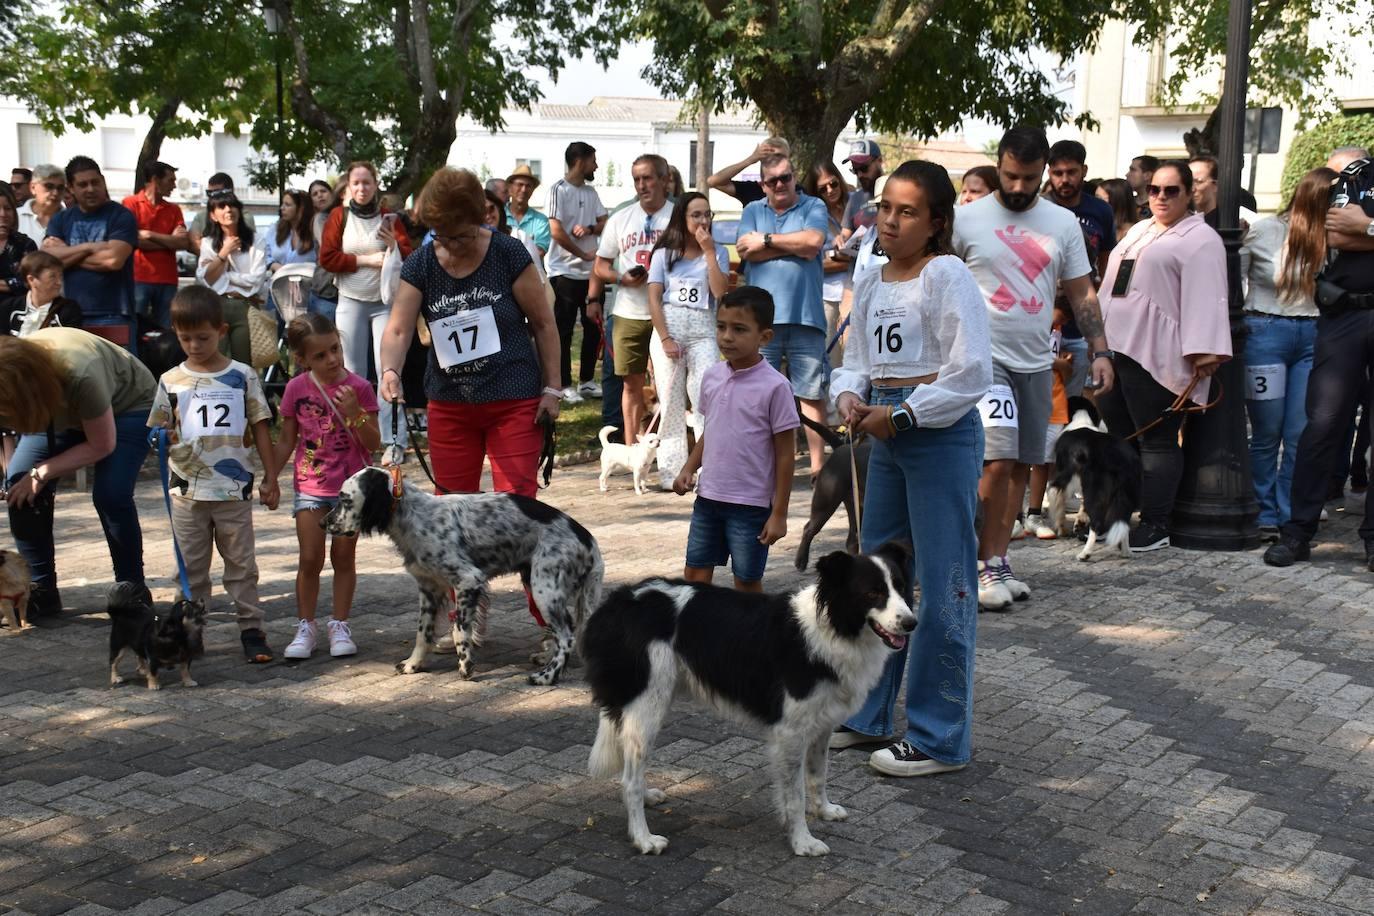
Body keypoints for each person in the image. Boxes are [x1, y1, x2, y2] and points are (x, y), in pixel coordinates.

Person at [828, 159, 992, 777]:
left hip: (936, 433)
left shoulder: (946, 274)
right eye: (885, 208)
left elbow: (971, 370)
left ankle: (938, 735)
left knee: (947, 581)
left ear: (936, 223)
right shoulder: (870, 279)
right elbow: (858, 362)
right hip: (884, 428)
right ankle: (868, 712)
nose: (890, 221)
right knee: (881, 578)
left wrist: (900, 417)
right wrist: (849, 397)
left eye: (907, 212)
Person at [952, 127, 1114, 610]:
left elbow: (1082, 291)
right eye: (1009, 176)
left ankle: (998, 560)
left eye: (1028, 177)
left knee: (1023, 464)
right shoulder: (967, 220)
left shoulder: (1062, 223)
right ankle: (976, 564)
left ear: (1043, 169)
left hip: (1038, 362)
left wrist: (1101, 350)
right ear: (998, 165)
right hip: (985, 360)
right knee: (997, 461)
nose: (1019, 187)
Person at [379, 167, 562, 496]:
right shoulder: (420, 263)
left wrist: (552, 388)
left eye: (460, 235)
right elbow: (398, 329)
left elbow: (544, 324)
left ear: (480, 218)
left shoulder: (508, 254)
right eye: (441, 235)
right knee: (451, 509)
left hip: (513, 399)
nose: (450, 245)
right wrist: (390, 370)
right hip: (449, 404)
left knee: (516, 506)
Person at [1097, 160, 1231, 552]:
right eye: (1154, 189)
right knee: (1122, 437)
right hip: (1116, 347)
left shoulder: (1201, 239)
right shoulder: (1141, 229)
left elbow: (1207, 295)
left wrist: (1205, 349)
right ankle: (1119, 516)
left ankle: (1157, 523)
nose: (1160, 197)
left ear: (1190, 194)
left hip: (1155, 350)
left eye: (1171, 190)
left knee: (1156, 440)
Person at [146, 286, 280, 663]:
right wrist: (161, 437)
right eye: (185, 337)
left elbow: (261, 426)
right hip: (186, 492)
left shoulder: (243, 376)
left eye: (202, 337)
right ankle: (189, 631)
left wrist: (271, 477)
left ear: (221, 331)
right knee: (190, 568)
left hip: (233, 490)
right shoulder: (171, 380)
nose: (193, 345)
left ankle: (251, 629)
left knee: (241, 565)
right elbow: (157, 428)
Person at [1265, 148, 1374, 570]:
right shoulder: (1356, 176)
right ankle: (1297, 532)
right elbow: (1331, 232)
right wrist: (1360, 230)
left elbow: (1352, 229)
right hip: (1343, 315)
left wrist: (1365, 225)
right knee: (1322, 426)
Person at [1, 328, 157, 618]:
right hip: (58, 410)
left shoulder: (80, 373)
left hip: (128, 406)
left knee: (111, 494)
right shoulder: (10, 381)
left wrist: (41, 472)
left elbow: (102, 444)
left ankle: (131, 588)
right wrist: (20, 477)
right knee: (18, 488)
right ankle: (41, 590)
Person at [671, 286, 797, 591]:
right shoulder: (712, 376)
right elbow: (710, 432)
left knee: (747, 582)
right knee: (695, 577)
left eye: (739, 329)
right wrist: (689, 468)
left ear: (764, 337)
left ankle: (751, 639)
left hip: (751, 506)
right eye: (721, 326)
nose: (727, 336)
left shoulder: (775, 387)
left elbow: (785, 455)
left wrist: (779, 513)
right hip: (708, 498)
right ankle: (700, 637)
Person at [274, 313, 379, 660]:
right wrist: (269, 477)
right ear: (303, 359)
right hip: (311, 485)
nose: (332, 359)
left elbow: (373, 442)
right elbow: (287, 439)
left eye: (335, 349)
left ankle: (340, 624)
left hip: (349, 489)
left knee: (343, 556)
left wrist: (355, 412)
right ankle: (306, 625)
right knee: (309, 557)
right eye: (321, 355)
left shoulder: (360, 388)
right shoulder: (295, 389)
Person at [1239, 168, 1331, 540]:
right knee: (1267, 432)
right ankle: (1264, 512)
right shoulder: (1264, 230)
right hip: (1265, 332)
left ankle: (1288, 511)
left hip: (1311, 335)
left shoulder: (1332, 236)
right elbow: (1234, 280)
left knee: (1298, 433)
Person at [737, 153, 829, 480]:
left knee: (811, 395)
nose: (780, 184)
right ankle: (762, 468)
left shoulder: (814, 206)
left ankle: (819, 466)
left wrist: (765, 241)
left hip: (807, 317)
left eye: (786, 177)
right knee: (759, 397)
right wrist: (795, 245)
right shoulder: (752, 210)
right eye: (772, 180)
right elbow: (744, 251)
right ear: (762, 184)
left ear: (794, 177)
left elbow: (814, 242)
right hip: (762, 323)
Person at [318, 161, 413, 462]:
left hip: (384, 302)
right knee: (350, 370)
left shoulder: (389, 218)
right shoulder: (338, 216)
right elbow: (327, 257)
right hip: (350, 300)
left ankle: (393, 440)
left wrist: (393, 247)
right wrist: (364, 261)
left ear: (376, 185)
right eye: (356, 183)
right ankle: (352, 435)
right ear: (348, 188)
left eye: (367, 183)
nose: (361, 188)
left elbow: (409, 256)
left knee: (389, 369)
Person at [647, 191, 730, 485]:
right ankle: (671, 472)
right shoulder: (663, 254)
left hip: (703, 333)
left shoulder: (718, 252)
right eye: (696, 215)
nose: (703, 220)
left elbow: (720, 293)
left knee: (705, 399)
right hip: (669, 332)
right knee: (670, 402)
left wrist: (709, 253)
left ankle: (710, 470)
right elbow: (654, 299)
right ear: (682, 218)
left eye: (707, 214)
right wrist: (665, 338)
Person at [595, 154, 674, 445]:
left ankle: (668, 447)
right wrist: (620, 278)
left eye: (648, 178)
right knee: (631, 385)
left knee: (670, 386)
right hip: (629, 311)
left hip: (669, 311)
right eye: (637, 179)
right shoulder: (621, 217)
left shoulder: (677, 216)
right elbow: (600, 265)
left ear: (664, 180)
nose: (642, 185)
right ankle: (630, 449)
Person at [1046, 140, 1118, 397]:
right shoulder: (1039, 209)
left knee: (1073, 402)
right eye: (1057, 173)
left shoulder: (1101, 211)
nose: (1064, 179)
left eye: (1071, 172)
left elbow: (1106, 268)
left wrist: (1097, 336)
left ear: (1084, 171)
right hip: (1041, 323)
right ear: (1048, 172)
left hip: (1081, 325)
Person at [546, 142, 607, 403]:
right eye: (593, 160)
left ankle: (587, 381)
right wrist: (582, 254)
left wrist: (591, 229)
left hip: (591, 274)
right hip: (564, 272)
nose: (596, 165)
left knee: (593, 327)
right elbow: (556, 231)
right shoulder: (558, 190)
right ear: (580, 161)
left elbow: (605, 221)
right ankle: (563, 385)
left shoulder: (592, 193)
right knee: (564, 330)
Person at [40, 156, 137, 320]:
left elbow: (113, 260)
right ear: (70, 188)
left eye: (95, 182)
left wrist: (66, 254)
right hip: (70, 313)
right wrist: (88, 248)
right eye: (82, 185)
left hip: (115, 313)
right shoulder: (60, 220)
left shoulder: (122, 216)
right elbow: (47, 261)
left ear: (103, 181)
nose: (90, 189)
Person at [195, 190, 268, 366]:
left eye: (232, 205)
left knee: (244, 364)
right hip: (216, 305)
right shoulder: (208, 242)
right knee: (214, 361)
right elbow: (204, 279)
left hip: (246, 305)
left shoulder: (255, 240)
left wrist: (224, 275)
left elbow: (256, 280)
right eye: (222, 206)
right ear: (213, 215)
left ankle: (244, 394)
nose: (228, 209)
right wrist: (223, 253)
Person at [1025, 302, 1074, 538]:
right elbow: (1027, 351)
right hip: (1032, 397)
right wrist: (1060, 364)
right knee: (1021, 460)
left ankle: (1033, 513)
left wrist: (1063, 366)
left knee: (1045, 461)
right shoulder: (1034, 317)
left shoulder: (1056, 327)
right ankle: (1019, 514)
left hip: (1054, 401)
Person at [122, 161, 190, 328]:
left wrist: (149, 234)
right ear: (155, 179)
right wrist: (169, 241)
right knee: (135, 327)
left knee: (166, 330)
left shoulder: (174, 209)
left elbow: (182, 242)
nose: (174, 185)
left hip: (168, 279)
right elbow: (132, 240)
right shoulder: (130, 203)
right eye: (170, 180)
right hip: (138, 277)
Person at [805, 161, 854, 367]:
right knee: (829, 353)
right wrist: (848, 259)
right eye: (822, 189)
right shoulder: (814, 215)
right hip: (828, 293)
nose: (830, 190)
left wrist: (841, 258)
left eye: (833, 184)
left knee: (854, 352)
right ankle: (831, 399)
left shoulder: (856, 204)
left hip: (855, 290)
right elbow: (812, 262)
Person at [4, 251, 82, 336]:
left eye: (60, 276)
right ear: (31, 280)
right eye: (52, 276)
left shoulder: (69, 309)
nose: (59, 282)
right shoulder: (9, 307)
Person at [706, 138, 789, 206]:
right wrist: (751, 159)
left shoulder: (797, 192)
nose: (775, 161)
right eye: (769, 157)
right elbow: (713, 181)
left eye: (779, 157)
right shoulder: (751, 190)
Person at [188, 174, 256, 251]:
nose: (213, 196)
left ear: (230, 191)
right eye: (209, 192)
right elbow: (193, 242)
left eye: (217, 192)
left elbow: (245, 242)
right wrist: (212, 255)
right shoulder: (200, 216)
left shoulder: (244, 215)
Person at [505, 164, 551, 267]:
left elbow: (539, 253)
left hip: (534, 279)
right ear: (510, 188)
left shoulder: (541, 220)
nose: (524, 189)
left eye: (528, 186)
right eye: (520, 184)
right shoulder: (499, 216)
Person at [266, 188, 317, 274]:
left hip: (308, 284)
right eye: (282, 204)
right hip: (279, 284)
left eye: (288, 205)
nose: (282, 208)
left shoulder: (314, 231)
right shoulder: (275, 229)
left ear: (301, 208)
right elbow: (266, 255)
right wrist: (274, 265)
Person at [0, 182, 37, 295]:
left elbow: (29, 281)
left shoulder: (25, 244)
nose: (3, 214)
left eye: (7, 208)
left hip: (16, 310)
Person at [17, 164, 64, 242]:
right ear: (33, 187)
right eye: (49, 186)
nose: (56, 193)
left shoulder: (73, 219)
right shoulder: (16, 216)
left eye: (60, 188)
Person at [1096, 177, 1140, 242]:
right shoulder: (1097, 224)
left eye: (1100, 199)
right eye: (1095, 197)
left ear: (1116, 201)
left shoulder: (1133, 233)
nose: (1095, 202)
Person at [1126, 155, 1160, 219]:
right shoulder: (1127, 203)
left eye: (1133, 170)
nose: (1127, 174)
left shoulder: (1160, 204)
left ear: (1147, 175)